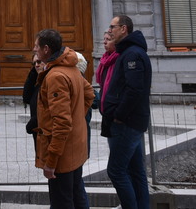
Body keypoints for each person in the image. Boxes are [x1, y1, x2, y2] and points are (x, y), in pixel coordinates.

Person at [33, 29, 95, 209]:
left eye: (37, 46)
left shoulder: (56, 75)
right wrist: (77, 117)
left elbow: (61, 122)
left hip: (63, 155)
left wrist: (50, 162)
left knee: (62, 202)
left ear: (46, 49)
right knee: (76, 195)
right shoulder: (70, 68)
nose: (34, 49)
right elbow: (89, 94)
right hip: (74, 149)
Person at [100, 15, 152, 209]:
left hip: (126, 124)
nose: (110, 30)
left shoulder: (131, 54)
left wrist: (119, 115)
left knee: (116, 171)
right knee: (136, 171)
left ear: (123, 29)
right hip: (131, 122)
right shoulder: (129, 52)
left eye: (112, 27)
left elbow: (134, 89)